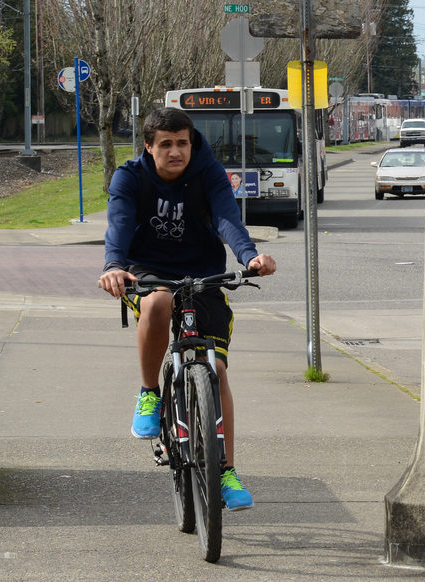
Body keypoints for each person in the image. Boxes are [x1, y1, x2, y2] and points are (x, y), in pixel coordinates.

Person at [97, 107, 276, 511]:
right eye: (166, 144)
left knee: (215, 369)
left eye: (183, 143)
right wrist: (113, 266)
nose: (176, 151)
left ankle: (226, 470)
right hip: (148, 270)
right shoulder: (130, 176)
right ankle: (149, 393)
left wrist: (249, 256)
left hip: (203, 273)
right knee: (158, 301)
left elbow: (227, 218)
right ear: (149, 146)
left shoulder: (208, 173)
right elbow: (120, 223)